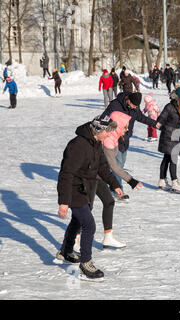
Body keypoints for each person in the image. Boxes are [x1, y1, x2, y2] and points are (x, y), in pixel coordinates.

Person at [55, 115, 122, 281]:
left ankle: (66, 251)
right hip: (73, 190)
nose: (108, 135)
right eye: (107, 132)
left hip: (85, 189)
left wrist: (115, 184)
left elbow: (102, 167)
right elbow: (66, 174)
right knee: (89, 225)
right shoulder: (78, 145)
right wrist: (64, 202)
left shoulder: (95, 143)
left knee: (77, 221)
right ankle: (85, 264)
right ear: (98, 130)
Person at [72, 112, 144, 253]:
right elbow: (113, 166)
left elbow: (105, 167)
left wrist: (115, 184)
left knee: (109, 202)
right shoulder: (107, 140)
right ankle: (76, 238)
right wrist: (131, 180)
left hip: (98, 176)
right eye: (125, 127)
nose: (127, 130)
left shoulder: (113, 137)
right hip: (90, 178)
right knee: (86, 209)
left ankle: (108, 236)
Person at [101, 92, 161, 201]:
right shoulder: (115, 105)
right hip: (114, 138)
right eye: (133, 105)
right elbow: (104, 118)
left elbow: (141, 117)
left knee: (121, 164)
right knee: (117, 165)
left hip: (125, 138)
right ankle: (117, 189)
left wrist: (154, 123)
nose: (135, 108)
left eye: (136, 106)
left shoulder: (135, 107)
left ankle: (111, 181)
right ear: (128, 100)